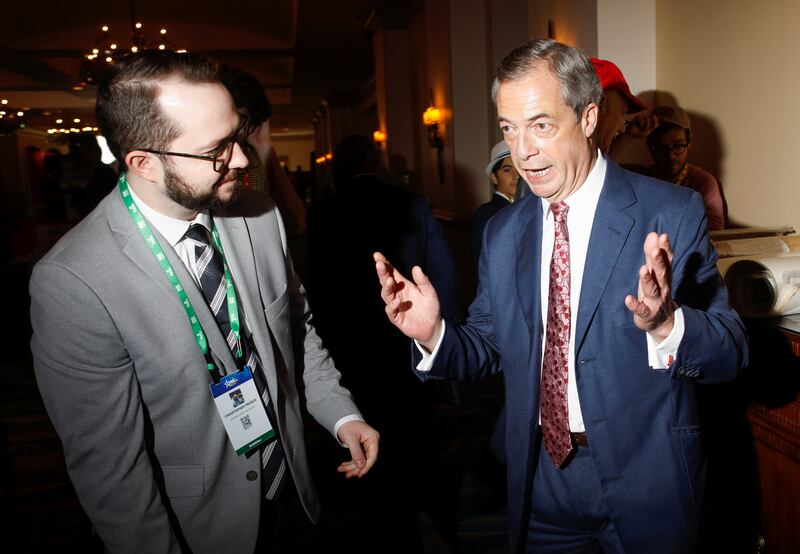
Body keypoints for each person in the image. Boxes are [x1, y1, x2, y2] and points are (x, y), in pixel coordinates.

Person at [374, 39, 748, 553]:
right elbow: (487, 345)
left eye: (542, 125)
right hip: (540, 482)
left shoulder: (671, 211)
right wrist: (435, 335)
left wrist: (668, 324)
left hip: (649, 479)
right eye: (509, 128)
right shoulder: (503, 234)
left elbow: (731, 352)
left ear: (589, 117)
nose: (521, 150)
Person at [29, 50, 379, 554]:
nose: (240, 159)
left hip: (296, 495)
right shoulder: (73, 280)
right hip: (196, 527)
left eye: (236, 135)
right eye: (216, 149)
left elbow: (296, 330)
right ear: (144, 163)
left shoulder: (257, 213)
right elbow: (111, 470)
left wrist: (342, 414)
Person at [306, 134, 460, 553]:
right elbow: (444, 276)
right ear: (376, 161)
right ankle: (409, 514)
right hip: (408, 345)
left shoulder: (323, 212)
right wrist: (441, 342)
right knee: (410, 433)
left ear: (337, 166)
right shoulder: (411, 202)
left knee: (362, 424)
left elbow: (315, 289)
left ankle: (380, 511)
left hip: (350, 348)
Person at [219, 65, 307, 237]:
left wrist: (264, 144)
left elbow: (297, 223)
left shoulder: (251, 158)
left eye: (242, 122)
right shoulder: (203, 154)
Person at [634, 105, 726, 230]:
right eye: (662, 147)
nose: (670, 156)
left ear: (689, 143)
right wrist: (627, 136)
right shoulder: (638, 177)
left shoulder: (704, 182)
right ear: (650, 146)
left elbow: (715, 234)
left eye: (678, 146)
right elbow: (601, 167)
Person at [472, 140, 518, 278]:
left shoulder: (528, 207)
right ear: (494, 177)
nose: (516, 176)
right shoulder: (488, 214)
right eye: (507, 170)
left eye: (519, 168)